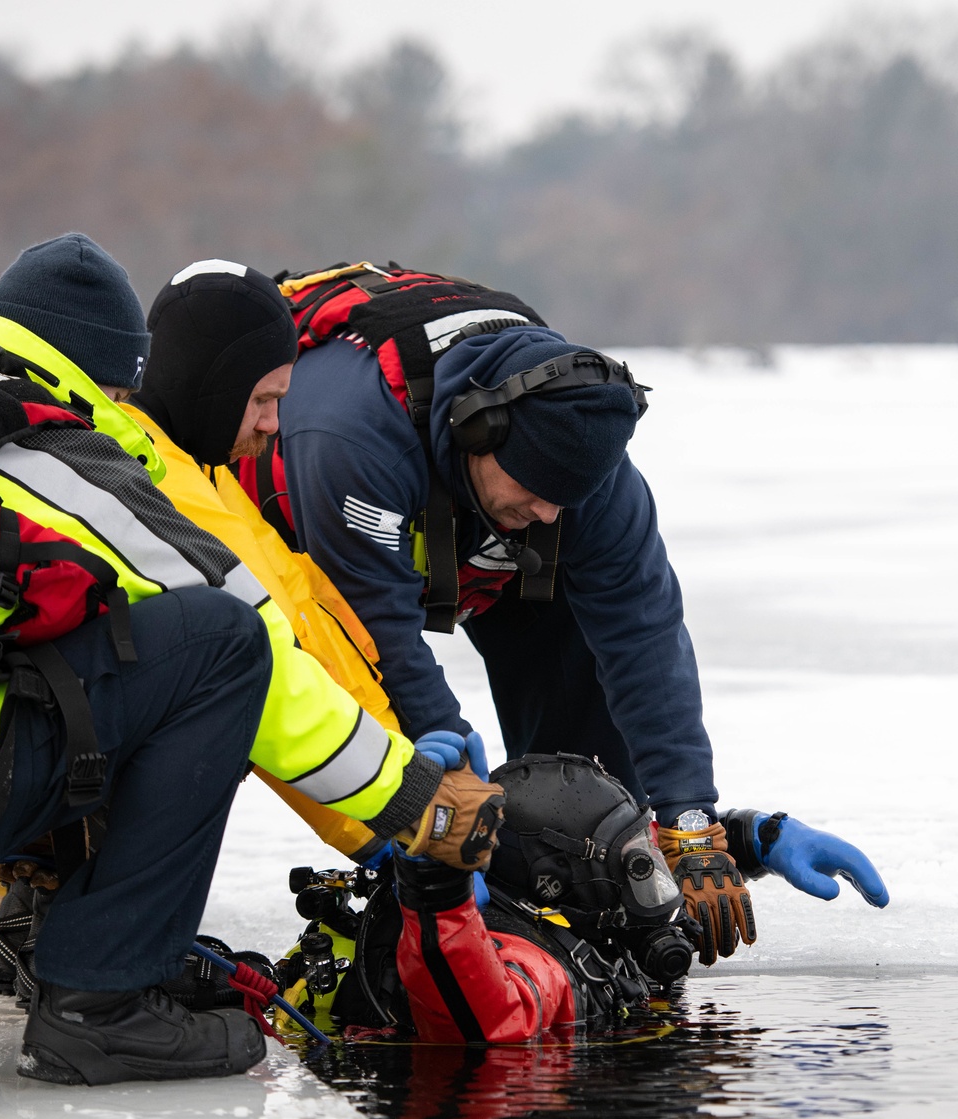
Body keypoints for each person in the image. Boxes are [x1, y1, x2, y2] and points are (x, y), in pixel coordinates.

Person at [0, 241, 504, 1084]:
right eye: (114, 392)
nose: (116, 409)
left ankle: (45, 916)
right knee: (211, 645)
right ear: (92, 371)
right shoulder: (46, 448)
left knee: (72, 636)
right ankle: (102, 1001)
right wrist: (412, 804)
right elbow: (252, 638)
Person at [239, 263, 751, 958]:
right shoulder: (349, 435)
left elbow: (644, 636)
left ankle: (582, 893)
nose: (546, 513)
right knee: (423, 779)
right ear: (481, 432)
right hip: (314, 550)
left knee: (587, 742)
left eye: (562, 501)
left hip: (470, 546)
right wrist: (461, 816)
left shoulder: (583, 467)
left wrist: (688, 819)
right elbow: (380, 639)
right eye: (535, 489)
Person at [0, 241, 423, 864]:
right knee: (212, 646)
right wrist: (412, 815)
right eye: (263, 400)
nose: (273, 426)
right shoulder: (65, 457)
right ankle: (105, 953)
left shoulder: (195, 470)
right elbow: (264, 650)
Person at [276, 751, 889, 1045]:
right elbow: (492, 1013)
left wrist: (752, 838)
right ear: (554, 887)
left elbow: (633, 850)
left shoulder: (579, 905)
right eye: (632, 865)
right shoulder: (536, 964)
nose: (652, 879)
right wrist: (437, 887)